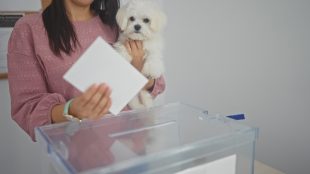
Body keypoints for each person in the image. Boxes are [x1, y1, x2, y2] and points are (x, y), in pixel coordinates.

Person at [7, 0, 165, 141]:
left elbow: (156, 84)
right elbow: (26, 107)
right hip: (74, 155)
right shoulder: (28, 29)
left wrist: (139, 71)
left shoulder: (117, 23)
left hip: (134, 144)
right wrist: (71, 110)